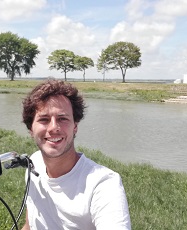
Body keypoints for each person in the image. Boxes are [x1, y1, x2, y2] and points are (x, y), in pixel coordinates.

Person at [21, 79, 131, 230]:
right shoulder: (33, 164)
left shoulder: (103, 184)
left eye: (62, 119)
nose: (54, 127)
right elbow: (29, 225)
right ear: (31, 130)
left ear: (75, 127)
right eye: (44, 119)